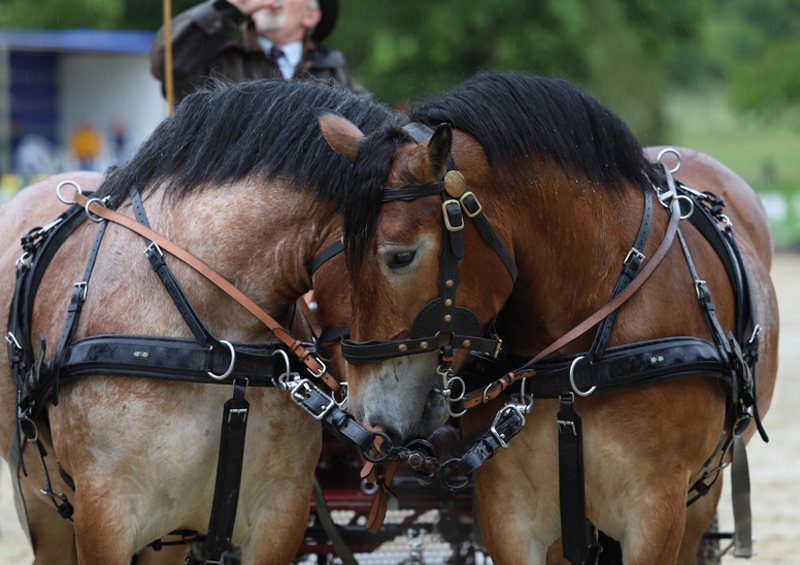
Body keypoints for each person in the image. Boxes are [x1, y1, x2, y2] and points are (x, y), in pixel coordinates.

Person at [149, 0, 365, 104]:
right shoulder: (217, 64)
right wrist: (227, 8)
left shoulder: (334, 77)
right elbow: (165, 61)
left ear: (311, 16)